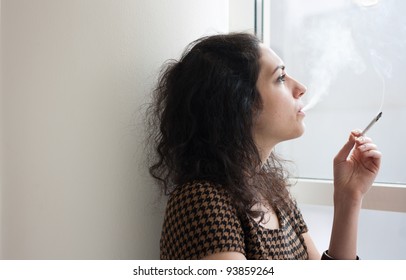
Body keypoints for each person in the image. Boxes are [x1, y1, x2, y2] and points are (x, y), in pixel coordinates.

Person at [146, 32, 381, 260]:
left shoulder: (273, 192)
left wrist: (349, 197)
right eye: (280, 78)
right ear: (239, 103)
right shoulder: (201, 202)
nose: (300, 88)